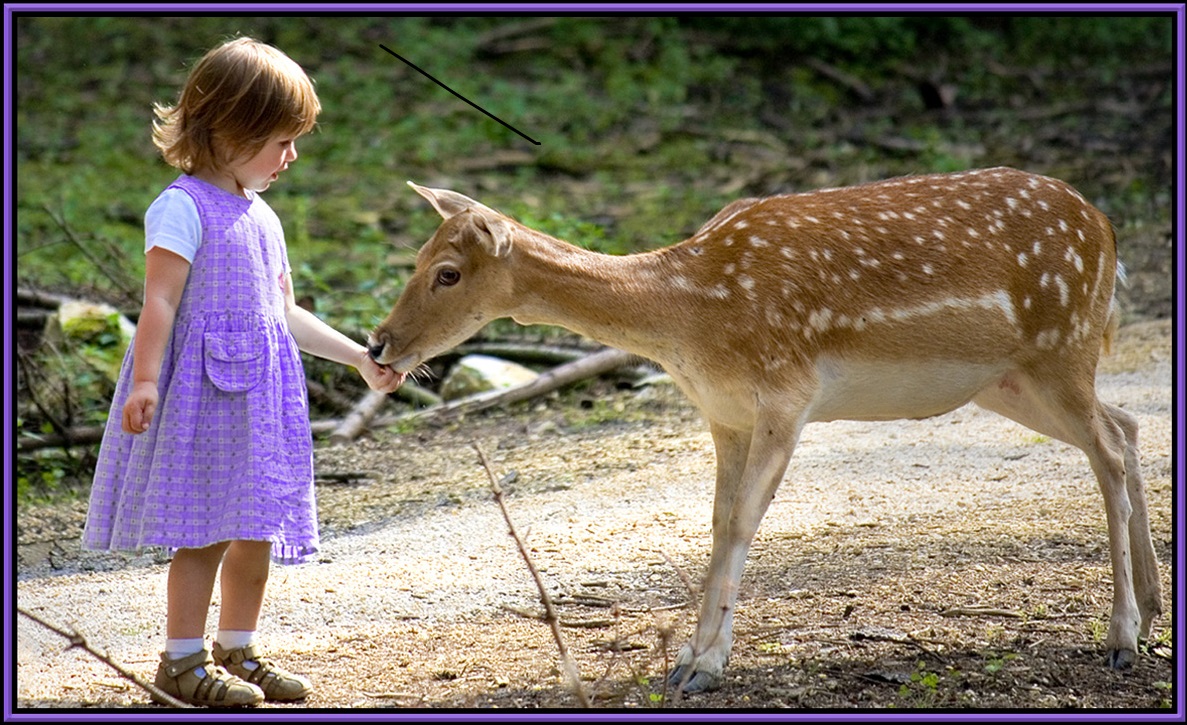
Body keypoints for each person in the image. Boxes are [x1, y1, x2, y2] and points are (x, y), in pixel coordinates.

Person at [82, 37, 404, 707]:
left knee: (257, 531)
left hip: (258, 399)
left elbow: (284, 311)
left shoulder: (264, 215)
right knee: (205, 532)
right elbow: (160, 300)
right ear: (229, 129)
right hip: (201, 395)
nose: (292, 156)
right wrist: (144, 380)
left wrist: (357, 358)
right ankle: (180, 662)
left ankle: (237, 645)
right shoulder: (181, 207)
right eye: (282, 141)